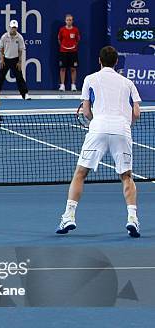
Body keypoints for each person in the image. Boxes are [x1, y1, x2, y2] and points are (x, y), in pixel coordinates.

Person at [56, 46, 141, 237]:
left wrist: (96, 123)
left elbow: (86, 112)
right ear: (117, 62)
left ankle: (69, 216)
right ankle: (132, 219)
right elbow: (136, 113)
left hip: (98, 128)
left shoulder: (90, 79)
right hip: (122, 130)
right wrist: (126, 124)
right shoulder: (128, 83)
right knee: (127, 176)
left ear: (99, 61)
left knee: (80, 173)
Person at [0, 20, 30, 100]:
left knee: (19, 77)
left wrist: (19, 61)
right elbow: (1, 48)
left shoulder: (20, 37)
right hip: (5, 59)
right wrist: (1, 59)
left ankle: (25, 94)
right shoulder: (4, 37)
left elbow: (20, 50)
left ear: (17, 28)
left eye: (15, 28)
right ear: (9, 27)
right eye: (12, 28)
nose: (13, 29)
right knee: (0, 77)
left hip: (15, 60)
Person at [58, 14, 81, 92]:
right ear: (65, 21)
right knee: (62, 68)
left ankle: (73, 85)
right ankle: (62, 85)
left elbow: (78, 40)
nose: (69, 21)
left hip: (73, 52)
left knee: (73, 69)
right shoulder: (62, 30)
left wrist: (73, 46)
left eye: (70, 20)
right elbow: (59, 39)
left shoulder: (75, 30)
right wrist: (64, 46)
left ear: (72, 21)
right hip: (63, 51)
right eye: (67, 20)